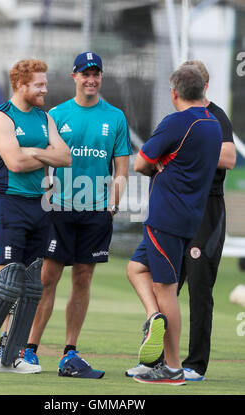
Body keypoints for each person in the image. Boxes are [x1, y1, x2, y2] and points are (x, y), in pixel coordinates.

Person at [24, 51, 133, 378]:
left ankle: (70, 350)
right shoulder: (56, 114)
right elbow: (43, 161)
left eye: (96, 73)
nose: (91, 79)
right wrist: (44, 198)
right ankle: (29, 349)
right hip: (58, 210)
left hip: (96, 213)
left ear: (100, 77)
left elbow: (122, 168)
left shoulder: (115, 117)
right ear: (74, 76)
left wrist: (112, 206)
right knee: (47, 279)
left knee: (83, 278)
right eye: (85, 73)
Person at [0, 59, 71, 373]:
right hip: (8, 204)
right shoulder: (0, 118)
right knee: (3, 279)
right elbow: (15, 164)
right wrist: (39, 154)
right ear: (21, 85)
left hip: (39, 205)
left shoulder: (44, 117)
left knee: (29, 282)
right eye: (39, 84)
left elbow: (64, 156)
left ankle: (10, 355)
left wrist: (32, 152)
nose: (45, 89)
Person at [126, 65, 222, 385]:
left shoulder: (176, 121)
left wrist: (157, 164)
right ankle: (155, 318)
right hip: (190, 216)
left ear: (174, 92)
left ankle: (171, 367)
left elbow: (141, 162)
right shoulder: (212, 124)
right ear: (204, 90)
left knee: (165, 290)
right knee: (136, 269)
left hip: (165, 216)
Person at [177, 60, 236, 381]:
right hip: (176, 210)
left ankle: (195, 365)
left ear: (205, 86)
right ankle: (157, 359)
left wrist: (187, 154)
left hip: (206, 212)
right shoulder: (177, 118)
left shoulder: (216, 116)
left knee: (200, 290)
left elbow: (228, 158)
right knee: (165, 286)